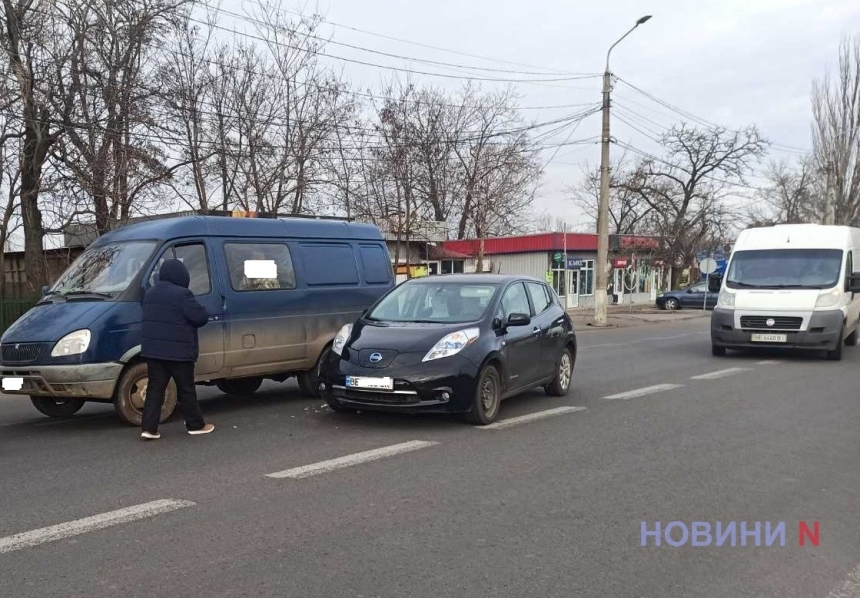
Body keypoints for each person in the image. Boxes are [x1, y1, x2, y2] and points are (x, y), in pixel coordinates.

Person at [140, 259, 214, 440]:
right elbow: (200, 317)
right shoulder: (183, 295)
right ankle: (195, 425)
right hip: (178, 353)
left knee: (155, 389)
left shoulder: (150, 294)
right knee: (186, 389)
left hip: (154, 352)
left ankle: (149, 429)